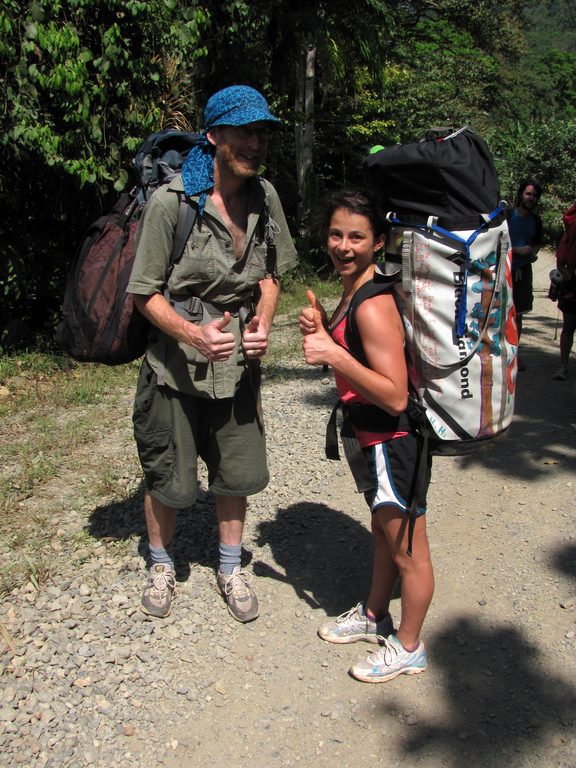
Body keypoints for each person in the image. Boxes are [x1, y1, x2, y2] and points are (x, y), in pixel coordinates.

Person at [127, 86, 297, 621]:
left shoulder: (265, 197)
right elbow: (143, 292)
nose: (255, 142)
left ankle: (229, 566)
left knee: (238, 472)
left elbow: (270, 276)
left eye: (262, 132)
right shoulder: (171, 203)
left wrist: (263, 321)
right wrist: (193, 334)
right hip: (174, 367)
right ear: (214, 136)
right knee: (170, 479)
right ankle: (160, 561)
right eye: (244, 131)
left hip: (238, 366)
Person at [299, 190, 434, 683]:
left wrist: (333, 355)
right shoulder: (354, 289)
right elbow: (349, 353)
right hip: (372, 438)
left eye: (357, 236)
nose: (344, 245)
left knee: (408, 551)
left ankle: (410, 645)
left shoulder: (372, 304)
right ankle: (375, 614)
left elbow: (395, 395)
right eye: (336, 234)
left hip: (393, 440)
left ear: (379, 242)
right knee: (382, 533)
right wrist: (323, 329)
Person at [506, 180, 543, 369]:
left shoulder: (536, 220)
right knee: (500, 311)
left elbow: (537, 242)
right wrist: (516, 250)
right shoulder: (508, 216)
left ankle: (514, 354)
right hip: (504, 269)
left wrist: (532, 253)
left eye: (534, 195)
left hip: (523, 272)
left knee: (518, 314)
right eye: (528, 194)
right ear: (521, 194)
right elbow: (497, 241)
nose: (531, 198)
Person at [551, 201, 576, 381]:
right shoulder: (571, 229)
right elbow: (561, 260)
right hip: (572, 284)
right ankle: (563, 364)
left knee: (569, 326)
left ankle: (563, 365)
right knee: (569, 325)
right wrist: (568, 277)